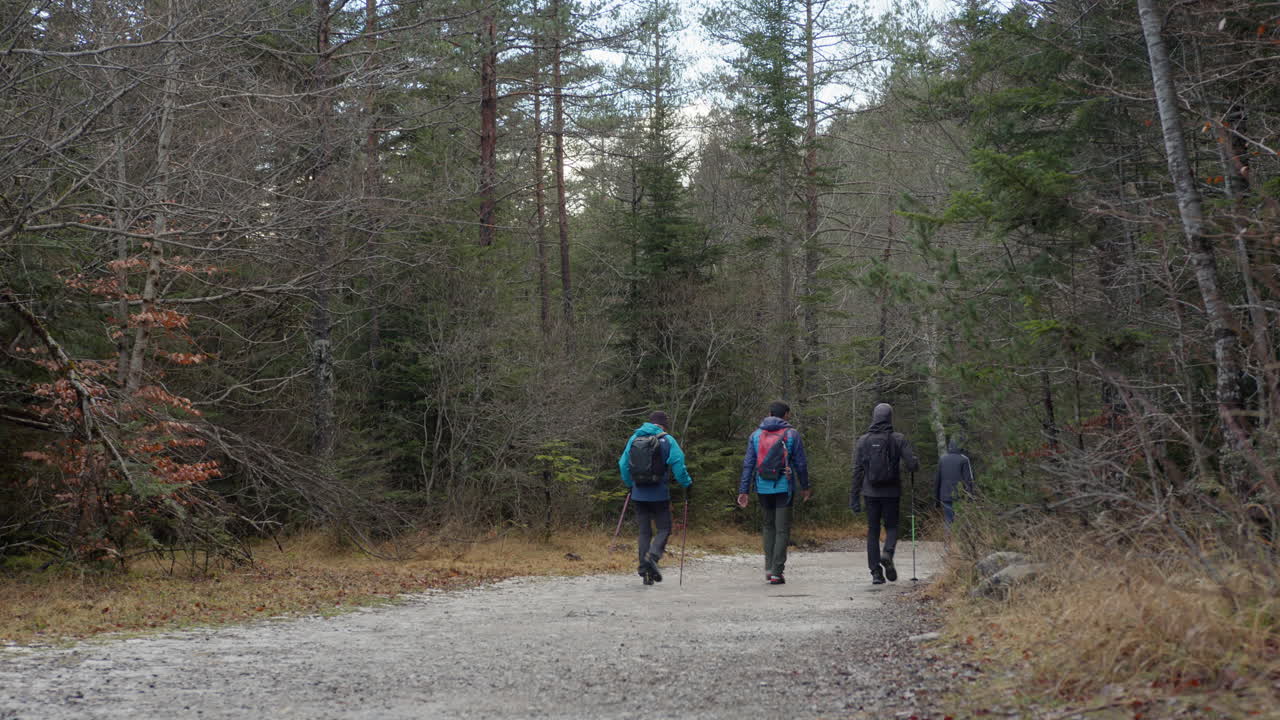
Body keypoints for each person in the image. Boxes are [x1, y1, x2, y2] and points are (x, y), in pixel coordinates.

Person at [737, 401, 811, 585]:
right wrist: (805, 486)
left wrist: (744, 490)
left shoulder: (755, 435)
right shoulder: (791, 434)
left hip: (762, 486)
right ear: (786, 415)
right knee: (782, 529)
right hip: (783, 487)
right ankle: (777, 572)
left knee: (768, 526)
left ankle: (769, 569)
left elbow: (748, 464)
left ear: (769, 413)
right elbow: (801, 464)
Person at [618, 411, 693, 585]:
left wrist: (630, 484)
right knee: (664, 529)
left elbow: (622, 464)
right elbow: (678, 464)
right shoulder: (667, 440)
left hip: (638, 493)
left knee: (644, 532)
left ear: (649, 423)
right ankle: (653, 555)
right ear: (664, 425)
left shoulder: (634, 438)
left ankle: (645, 571)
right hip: (659, 494)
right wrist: (686, 483)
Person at [852, 403, 918, 585]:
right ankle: (887, 552)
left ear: (874, 417)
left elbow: (857, 471)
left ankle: (875, 573)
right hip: (891, 491)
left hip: (870, 492)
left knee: (873, 531)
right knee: (891, 526)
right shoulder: (898, 438)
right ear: (890, 417)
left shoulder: (863, 440)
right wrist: (914, 462)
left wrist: (854, 497)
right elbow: (912, 465)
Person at [934, 439, 976, 527]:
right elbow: (968, 480)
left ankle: (948, 539)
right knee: (962, 520)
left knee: (948, 519)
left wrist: (936, 498)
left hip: (945, 494)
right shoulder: (964, 459)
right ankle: (960, 539)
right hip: (960, 495)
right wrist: (970, 496)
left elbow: (937, 480)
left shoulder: (942, 459)